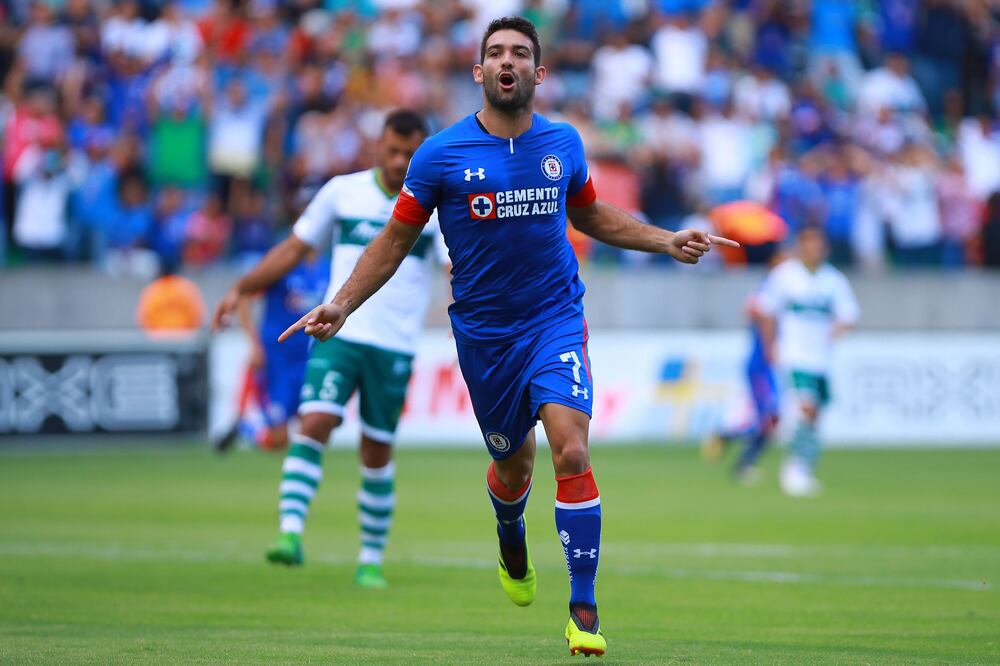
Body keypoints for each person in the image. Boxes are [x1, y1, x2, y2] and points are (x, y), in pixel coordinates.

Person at [278, 18, 737, 657]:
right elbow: (394, 241)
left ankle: (583, 611)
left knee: (571, 450)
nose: (507, 61)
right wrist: (342, 304)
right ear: (479, 71)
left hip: (555, 320)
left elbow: (589, 214)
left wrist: (665, 239)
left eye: (520, 53)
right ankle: (509, 529)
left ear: (538, 73)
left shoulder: (564, 144)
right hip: (486, 337)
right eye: (495, 52)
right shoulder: (439, 155)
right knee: (512, 462)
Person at [212, 109, 444, 590]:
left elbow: (455, 269)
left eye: (410, 152)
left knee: (376, 449)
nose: (400, 160)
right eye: (393, 149)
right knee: (313, 420)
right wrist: (242, 287)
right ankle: (290, 535)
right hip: (340, 332)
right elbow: (294, 248)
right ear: (378, 146)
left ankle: (370, 560)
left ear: (422, 151)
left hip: (395, 346)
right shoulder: (343, 191)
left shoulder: (436, 209)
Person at [756, 225, 860, 497]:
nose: (814, 250)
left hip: (820, 358)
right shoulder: (785, 276)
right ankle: (794, 472)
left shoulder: (833, 280)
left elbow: (848, 315)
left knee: (815, 416)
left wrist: (835, 332)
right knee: (806, 408)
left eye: (819, 245)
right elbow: (765, 310)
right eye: (809, 244)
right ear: (801, 247)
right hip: (794, 354)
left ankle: (803, 466)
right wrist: (770, 346)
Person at [214, 248, 329, 452]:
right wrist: (254, 342)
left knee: (318, 428)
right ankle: (247, 429)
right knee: (278, 440)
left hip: (309, 357)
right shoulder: (283, 266)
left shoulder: (326, 269)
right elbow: (244, 296)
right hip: (277, 360)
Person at [136, 260, 206, 334]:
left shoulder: (153, 289)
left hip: (160, 338)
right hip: (183, 337)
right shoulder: (187, 288)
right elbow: (198, 315)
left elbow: (144, 317)